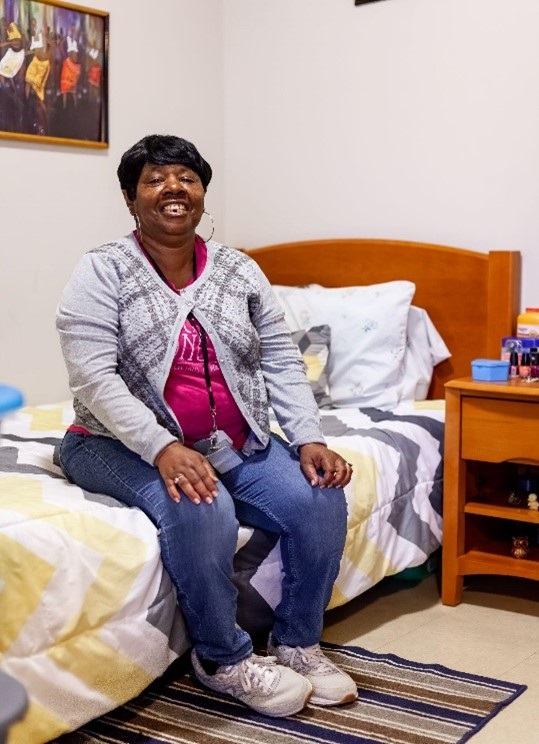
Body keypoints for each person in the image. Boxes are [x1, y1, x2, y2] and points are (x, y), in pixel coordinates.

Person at [56, 134, 357, 718]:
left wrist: (308, 437)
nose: (174, 188)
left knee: (320, 496)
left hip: (231, 439)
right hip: (111, 443)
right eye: (155, 178)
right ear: (130, 197)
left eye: (186, 178)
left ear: (201, 193)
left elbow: (279, 358)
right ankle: (223, 658)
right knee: (204, 505)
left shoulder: (240, 270)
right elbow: (93, 377)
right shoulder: (102, 270)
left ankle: (297, 644)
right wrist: (162, 446)